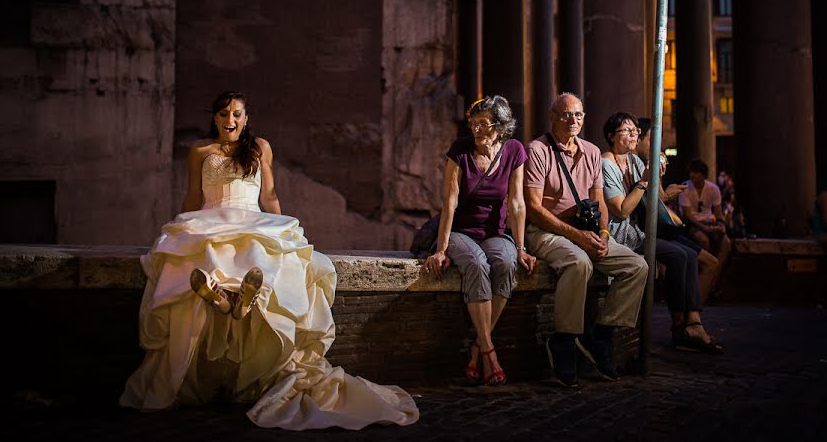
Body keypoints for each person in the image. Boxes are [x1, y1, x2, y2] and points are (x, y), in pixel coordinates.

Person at [121, 91, 418, 429]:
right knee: (205, 255)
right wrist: (182, 229)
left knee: (259, 255)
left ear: (246, 119)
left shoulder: (260, 147)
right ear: (214, 118)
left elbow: (270, 195)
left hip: (250, 218)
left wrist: (287, 233)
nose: (229, 120)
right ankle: (222, 299)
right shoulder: (200, 151)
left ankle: (238, 301)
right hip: (210, 219)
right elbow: (192, 195)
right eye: (222, 114)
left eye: (236, 114)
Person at [523, 93, 648, 387]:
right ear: (552, 117)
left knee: (637, 266)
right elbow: (534, 208)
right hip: (546, 231)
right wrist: (578, 236)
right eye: (566, 114)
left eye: (578, 115)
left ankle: (600, 335)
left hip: (587, 232)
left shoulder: (591, 152)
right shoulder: (538, 150)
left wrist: (603, 235)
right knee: (580, 264)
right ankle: (564, 339)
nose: (573, 120)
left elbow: (599, 202)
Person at [424, 96, 536, 385]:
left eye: (483, 124)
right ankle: (489, 352)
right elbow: (449, 202)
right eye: (473, 124)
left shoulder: (514, 151)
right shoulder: (460, 151)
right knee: (475, 263)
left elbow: (517, 204)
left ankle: (478, 345)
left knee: (507, 261)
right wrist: (440, 249)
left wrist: (522, 248)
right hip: (461, 232)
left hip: (495, 232)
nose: (476, 130)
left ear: (500, 126)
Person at [602, 113, 722, 355]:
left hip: (641, 232)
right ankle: (680, 327)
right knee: (678, 255)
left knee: (687, 255)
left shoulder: (634, 162)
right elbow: (623, 210)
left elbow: (651, 200)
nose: (634, 134)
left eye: (635, 130)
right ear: (611, 137)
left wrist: (657, 175)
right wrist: (645, 181)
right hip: (621, 235)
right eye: (627, 131)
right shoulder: (606, 164)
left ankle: (691, 323)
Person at [635, 118, 720, 304]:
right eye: (651, 139)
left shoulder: (712, 188)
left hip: (664, 229)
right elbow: (652, 201)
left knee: (712, 258)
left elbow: (658, 198)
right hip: (650, 232)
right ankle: (688, 317)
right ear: (638, 139)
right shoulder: (638, 166)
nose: (655, 145)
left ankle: (694, 315)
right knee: (689, 256)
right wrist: (666, 194)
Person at [678, 158, 732, 294]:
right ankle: (700, 281)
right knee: (703, 240)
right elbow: (688, 216)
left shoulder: (713, 189)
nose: (692, 175)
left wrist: (721, 226)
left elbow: (718, 213)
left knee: (726, 243)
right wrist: (705, 228)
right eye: (691, 172)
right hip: (693, 224)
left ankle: (713, 280)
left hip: (709, 223)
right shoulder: (685, 188)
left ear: (703, 175)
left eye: (695, 172)